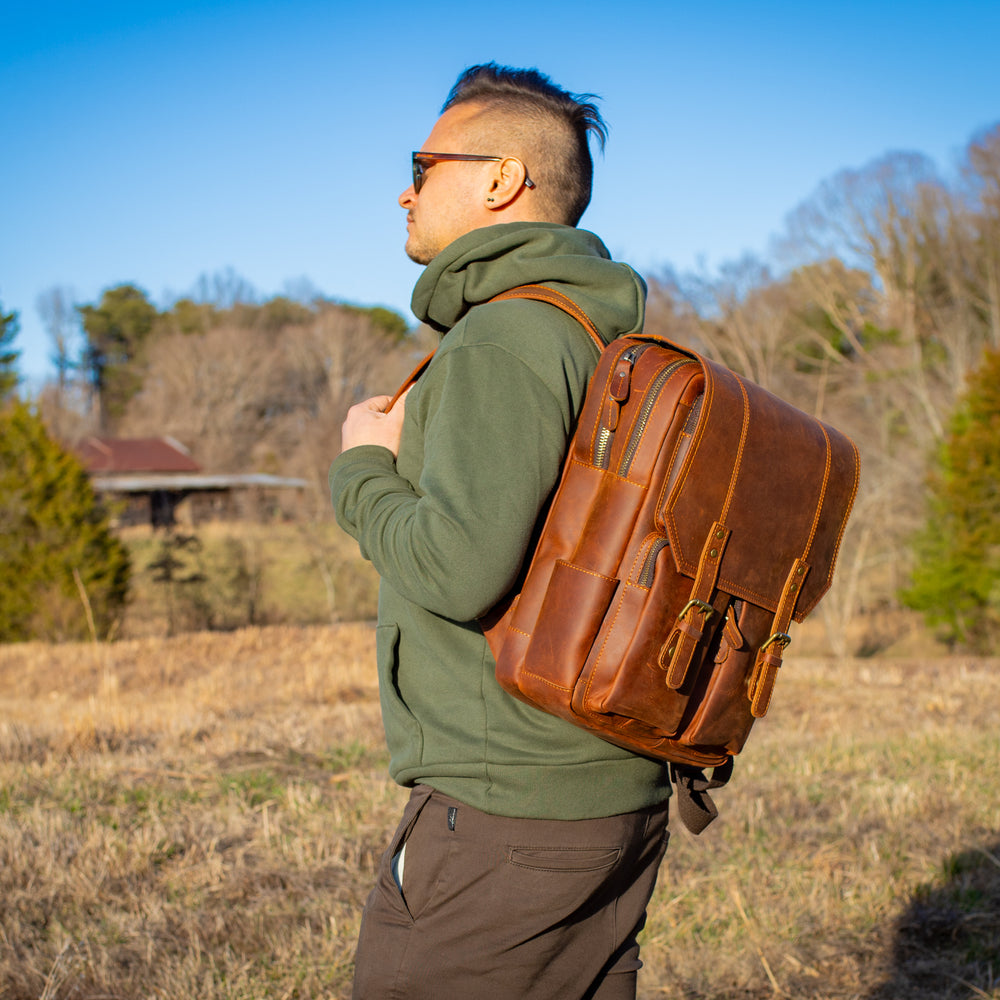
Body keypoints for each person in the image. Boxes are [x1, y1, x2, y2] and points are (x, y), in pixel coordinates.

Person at [330, 63, 671, 1000]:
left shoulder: (508, 336)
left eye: (424, 162)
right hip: (603, 792)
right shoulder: (594, 336)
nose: (405, 187)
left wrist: (362, 467)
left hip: (507, 813)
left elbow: (459, 568)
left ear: (499, 180)